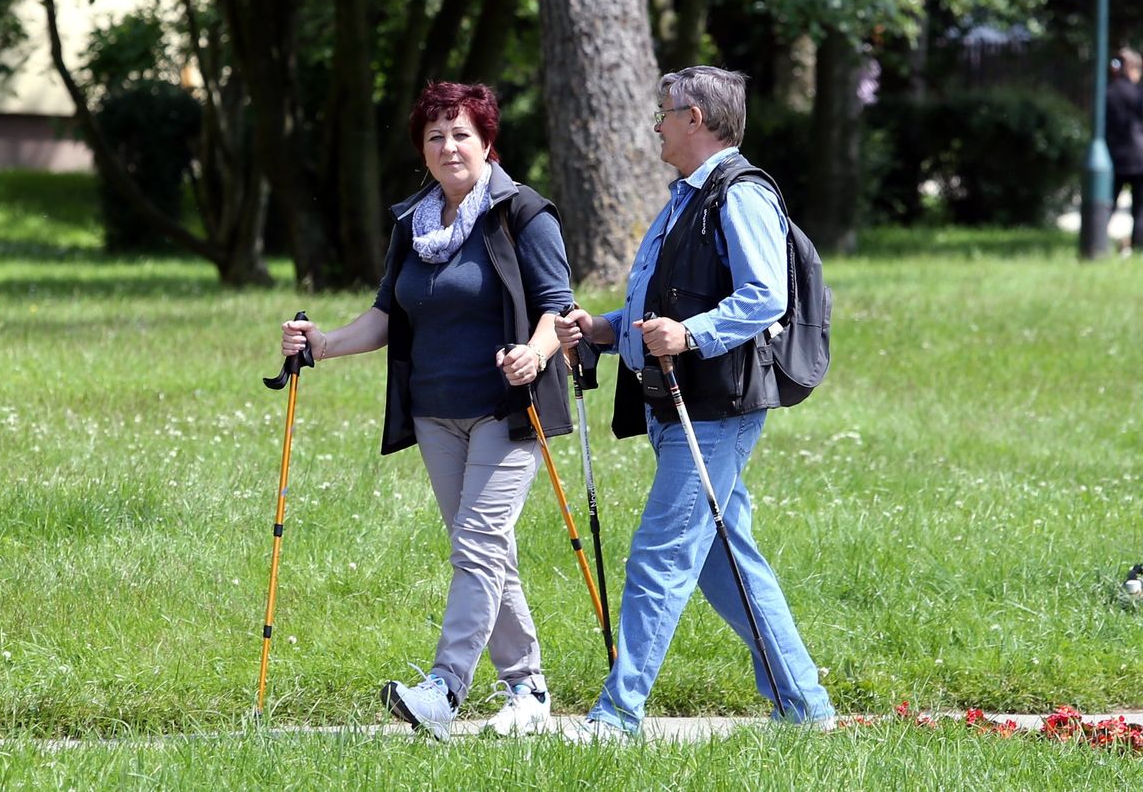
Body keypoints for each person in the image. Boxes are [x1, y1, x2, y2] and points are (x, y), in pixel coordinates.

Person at [280, 82, 573, 740]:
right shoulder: (415, 222)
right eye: (435, 136)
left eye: (461, 133)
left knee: (478, 542)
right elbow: (388, 312)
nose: (448, 146)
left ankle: (444, 690)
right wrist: (323, 345)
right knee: (487, 550)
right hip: (435, 413)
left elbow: (560, 307)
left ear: (487, 142)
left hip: (506, 409)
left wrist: (533, 352)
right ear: (422, 148)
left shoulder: (523, 212)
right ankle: (528, 689)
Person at [556, 66, 835, 740]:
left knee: (659, 554)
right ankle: (807, 708)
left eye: (664, 112)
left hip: (715, 407)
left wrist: (690, 334)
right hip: (680, 403)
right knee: (725, 561)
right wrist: (604, 329)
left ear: (696, 119)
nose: (656, 123)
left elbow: (765, 295)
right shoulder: (687, 196)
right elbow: (664, 300)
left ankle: (617, 717)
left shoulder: (739, 194)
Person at [1106, 48, 1143, 255]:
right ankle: (1139, 248)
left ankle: (1097, 243)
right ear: (1133, 69)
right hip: (1140, 157)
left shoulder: (1108, 92)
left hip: (1115, 157)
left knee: (1107, 204)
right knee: (1140, 208)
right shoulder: (1139, 94)